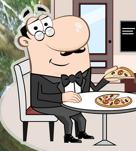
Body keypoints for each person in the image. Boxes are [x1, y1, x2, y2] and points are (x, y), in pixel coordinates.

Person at [15, 7, 120, 143]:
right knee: (67, 117)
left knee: (81, 117)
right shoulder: (41, 76)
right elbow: (38, 98)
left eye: (80, 50)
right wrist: (62, 97)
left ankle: (81, 133)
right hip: (45, 104)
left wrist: (106, 79)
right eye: (65, 53)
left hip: (68, 102)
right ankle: (68, 136)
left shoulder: (80, 73)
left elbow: (92, 89)